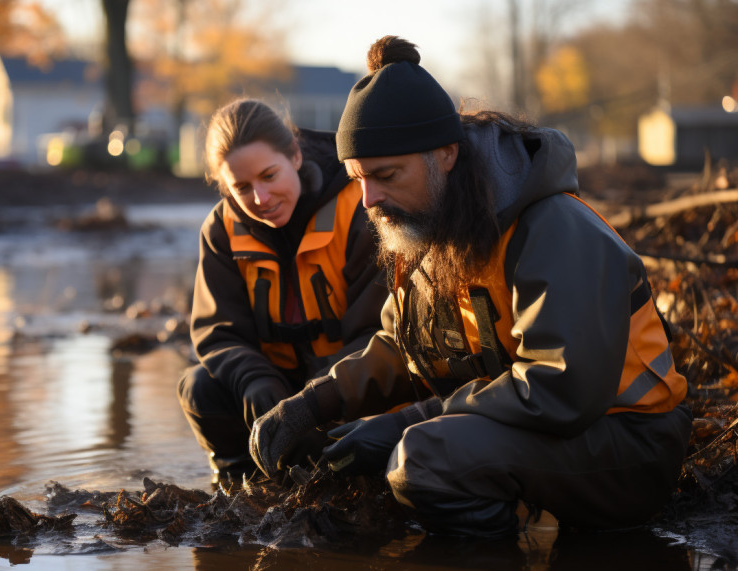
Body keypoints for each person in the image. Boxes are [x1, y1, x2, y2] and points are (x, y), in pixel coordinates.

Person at [249, 36, 691, 536]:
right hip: (538, 431)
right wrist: (314, 404)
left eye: (386, 175)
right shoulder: (428, 221)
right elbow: (401, 346)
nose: (369, 200)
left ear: (446, 155)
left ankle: (510, 546)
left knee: (422, 459)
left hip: (630, 442)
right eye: (357, 179)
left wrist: (407, 421)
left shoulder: (551, 228)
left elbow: (561, 389)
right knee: (379, 449)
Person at [178, 98, 387, 483]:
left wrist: (315, 400)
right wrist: (256, 381)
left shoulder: (360, 207)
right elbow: (217, 334)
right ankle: (239, 483)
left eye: (269, 176)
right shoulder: (221, 230)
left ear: (294, 154)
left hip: (347, 390)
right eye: (241, 187)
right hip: (271, 393)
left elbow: (378, 333)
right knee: (198, 387)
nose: (261, 199)